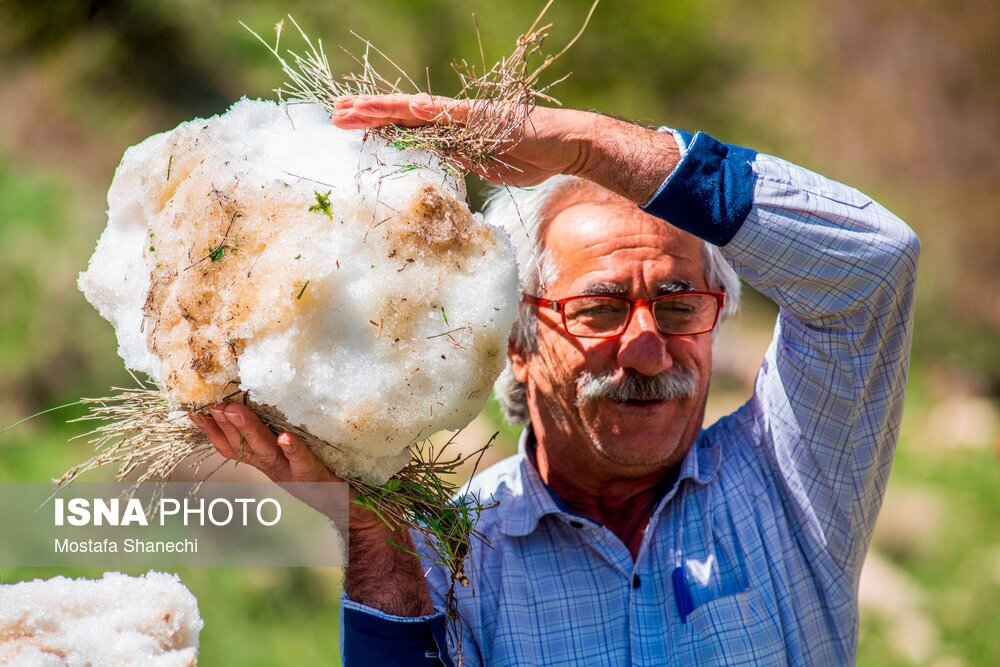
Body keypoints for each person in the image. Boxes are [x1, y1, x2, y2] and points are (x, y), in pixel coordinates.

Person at [192, 94, 919, 666]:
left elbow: (874, 265)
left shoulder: (790, 479)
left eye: (679, 306)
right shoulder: (452, 553)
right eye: (600, 308)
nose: (645, 349)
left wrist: (588, 144)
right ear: (516, 340)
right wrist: (370, 537)